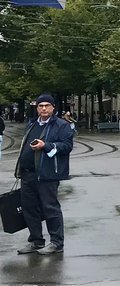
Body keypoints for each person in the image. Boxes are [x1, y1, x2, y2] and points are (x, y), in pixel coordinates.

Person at [14, 93, 73, 255]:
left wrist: (45, 145)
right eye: (41, 106)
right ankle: (36, 241)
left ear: (53, 108)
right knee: (29, 208)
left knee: (50, 208)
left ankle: (56, 243)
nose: (44, 108)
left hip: (48, 174)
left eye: (47, 105)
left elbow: (67, 146)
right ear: (37, 108)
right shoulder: (32, 124)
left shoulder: (61, 125)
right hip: (28, 174)